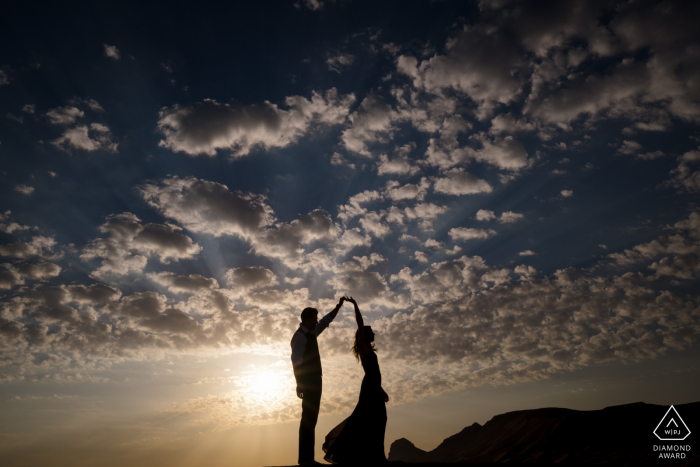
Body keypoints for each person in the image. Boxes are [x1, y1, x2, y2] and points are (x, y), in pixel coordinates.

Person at [323, 296, 388, 464]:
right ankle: (375, 457)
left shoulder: (369, 350)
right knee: (370, 420)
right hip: (369, 389)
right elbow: (360, 324)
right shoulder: (364, 347)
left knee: (376, 421)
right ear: (365, 335)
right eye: (371, 331)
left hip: (374, 386)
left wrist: (381, 389)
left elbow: (374, 372)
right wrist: (355, 305)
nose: (374, 333)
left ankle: (374, 457)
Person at [291, 297, 345, 466]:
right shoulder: (299, 337)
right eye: (314, 318)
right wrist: (299, 383)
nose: (316, 321)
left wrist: (338, 307)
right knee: (307, 419)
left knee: (312, 419)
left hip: (316, 380)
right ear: (306, 319)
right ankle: (305, 459)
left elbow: (325, 321)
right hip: (308, 382)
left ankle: (307, 458)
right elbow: (296, 361)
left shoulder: (312, 332)